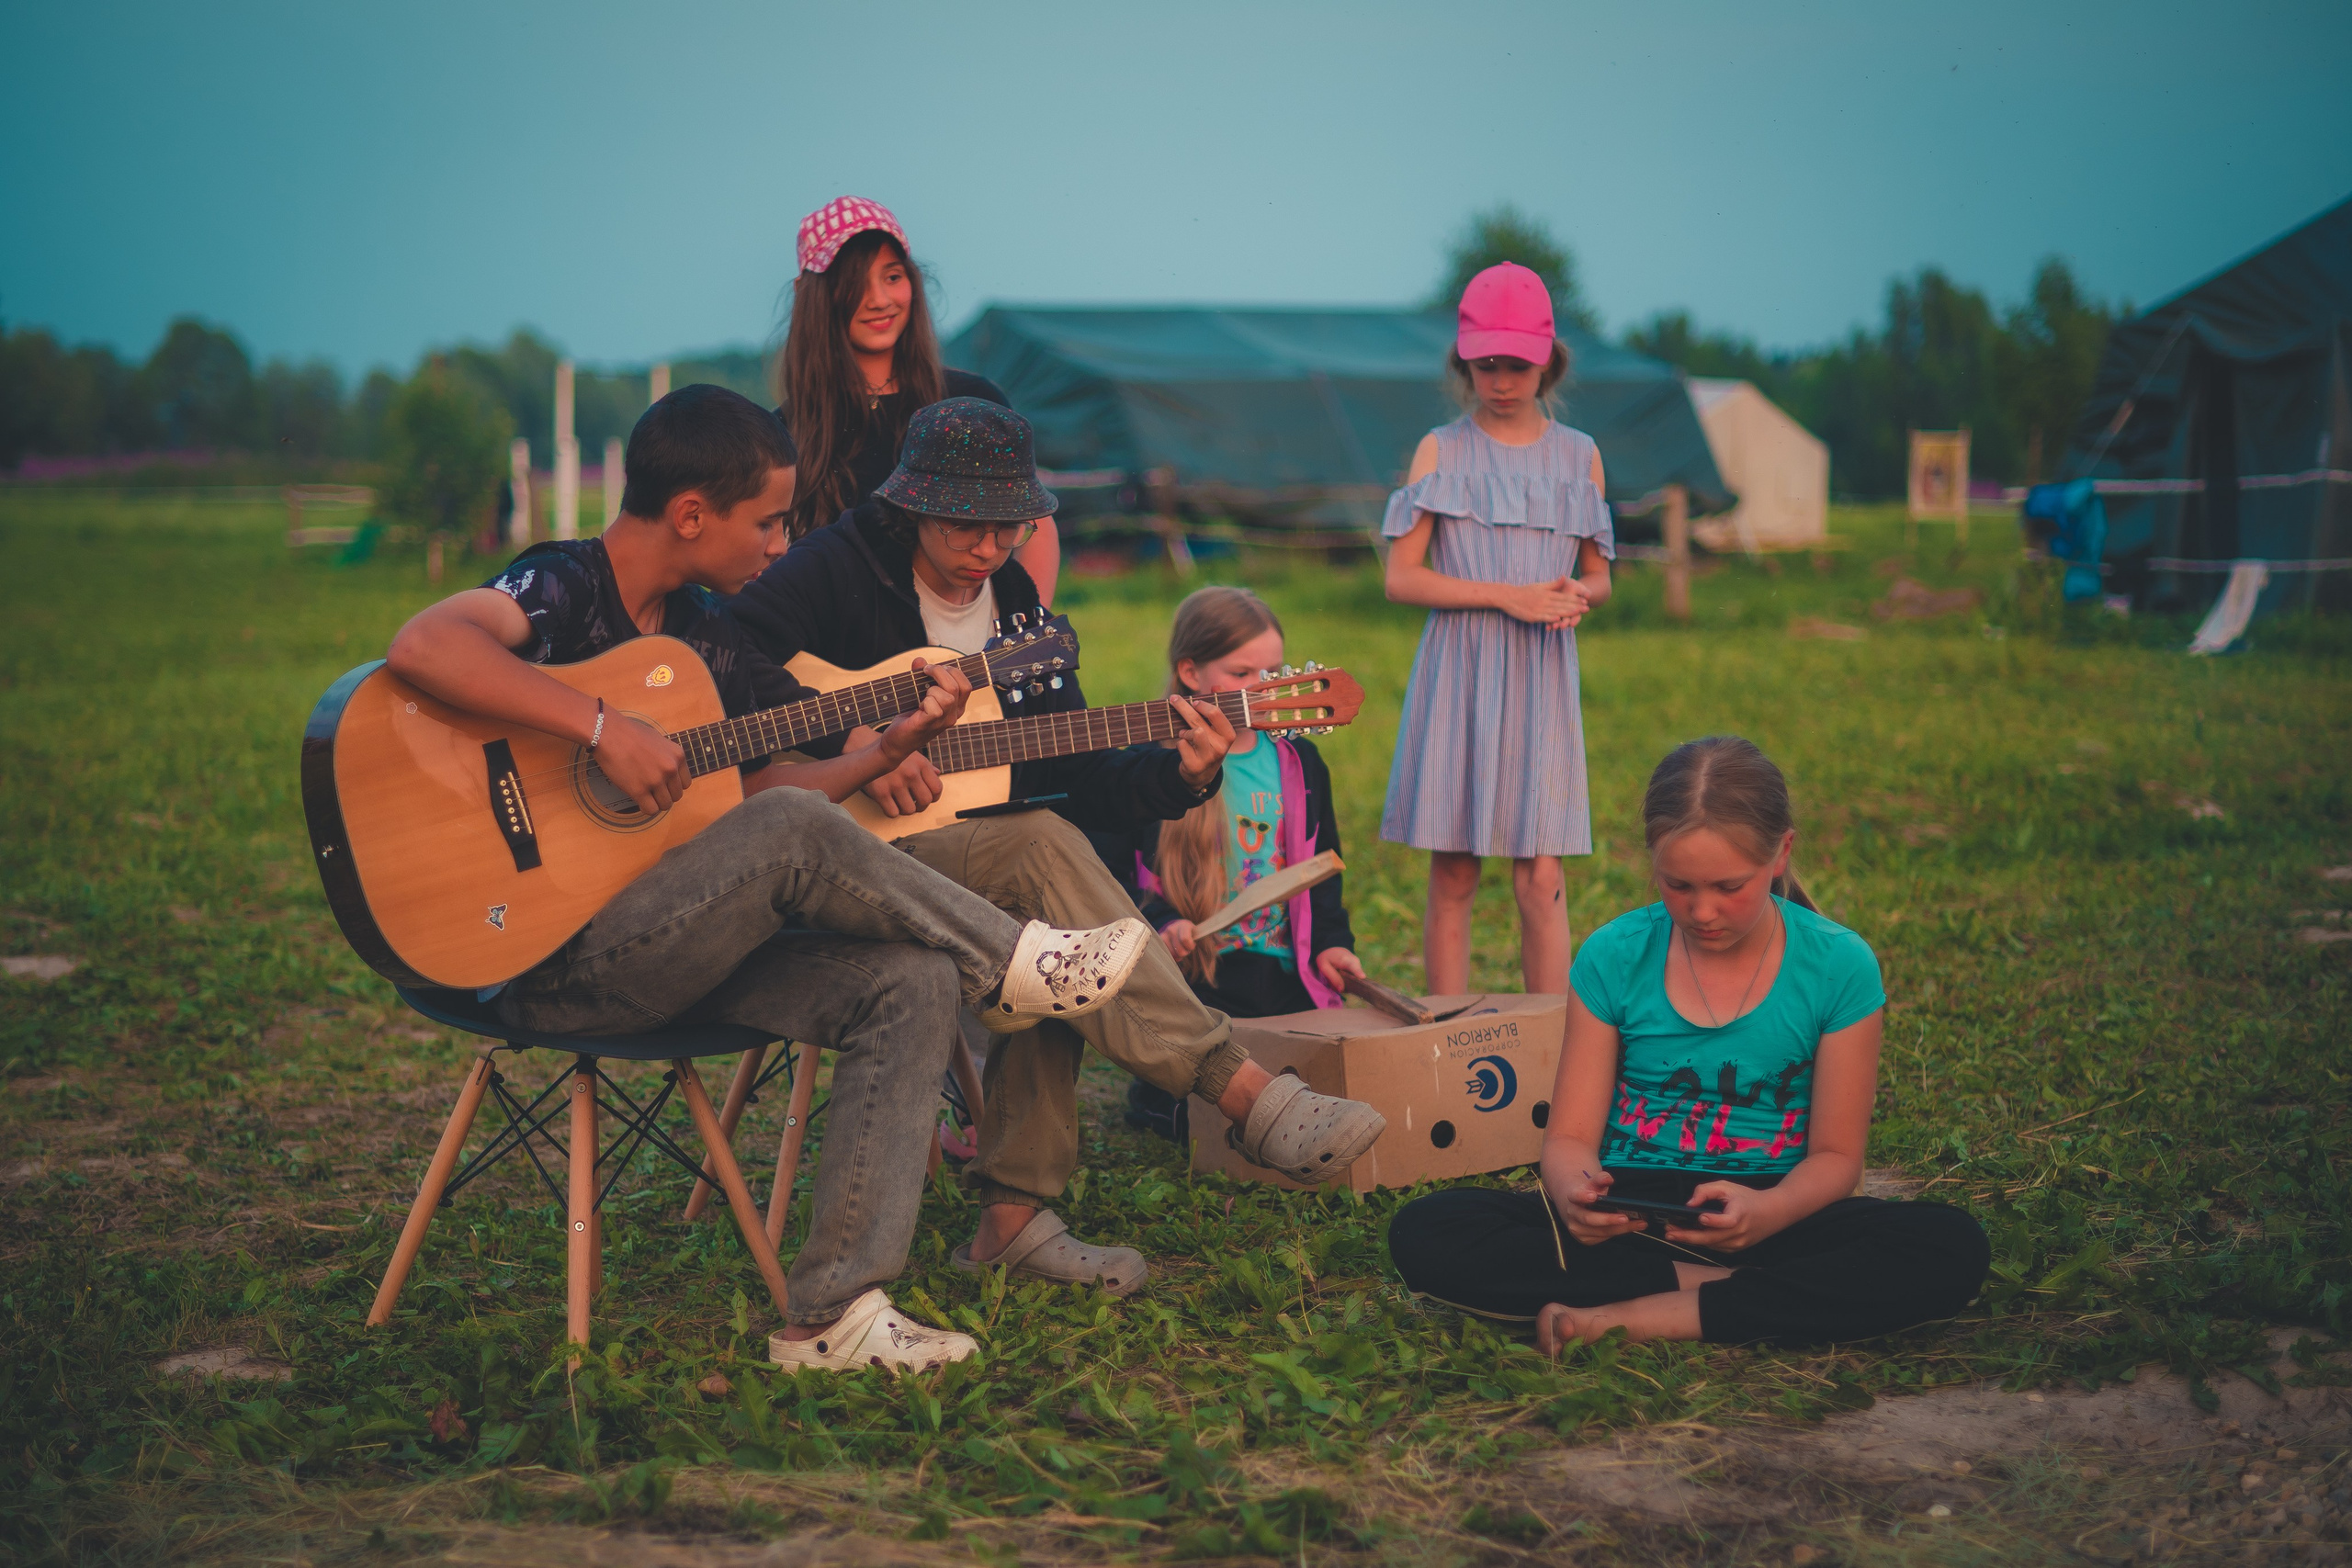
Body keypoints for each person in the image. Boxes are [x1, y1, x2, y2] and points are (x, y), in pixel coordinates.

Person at [382, 384, 1154, 1373]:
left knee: (908, 981)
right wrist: (600, 728)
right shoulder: (564, 586)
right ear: (694, 513)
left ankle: (833, 1313)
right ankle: (1011, 958)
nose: (785, 545)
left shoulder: (710, 635)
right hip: (546, 951)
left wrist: (889, 749)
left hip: (682, 943)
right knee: (788, 825)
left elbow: (788, 778)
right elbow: (424, 644)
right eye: (770, 522)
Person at [730, 397, 1389, 1294]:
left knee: (1056, 927)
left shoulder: (1013, 606)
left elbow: (1083, 769)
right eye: (968, 523)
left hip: (959, 860)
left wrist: (1184, 774)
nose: (989, 548)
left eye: (1006, 526)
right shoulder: (838, 566)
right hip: (824, 855)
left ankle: (1010, 1221)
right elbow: (721, 649)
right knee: (1039, 853)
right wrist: (850, 754)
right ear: (914, 503)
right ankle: (1243, 1094)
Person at [1387, 739, 1989, 1348]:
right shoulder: (1615, 954)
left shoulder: (1839, 965)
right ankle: (1742, 1290)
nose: (1703, 910)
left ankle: (1638, 1315)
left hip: (1776, 1208)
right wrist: (1576, 1194)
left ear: (1781, 852)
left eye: (1729, 886)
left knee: (1950, 1244)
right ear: (1653, 859)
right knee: (1428, 1228)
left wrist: (1769, 1213)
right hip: (1635, 1213)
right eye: (1678, 885)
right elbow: (1569, 1138)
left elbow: (1837, 1158)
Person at [1380, 262, 1614, 997]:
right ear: (1463, 361)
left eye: (1516, 364)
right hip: (1460, 671)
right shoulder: (1440, 450)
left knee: (1542, 875)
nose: (1502, 379)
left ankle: (1554, 1047)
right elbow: (1402, 576)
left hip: (1542, 677)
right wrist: (1506, 596)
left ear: (1547, 360)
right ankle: (1444, 1042)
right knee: (1453, 868)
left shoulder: (1580, 457)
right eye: (1486, 365)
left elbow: (1601, 575)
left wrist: (1581, 594)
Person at [1096, 587, 1364, 1143]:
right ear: (1190, 673)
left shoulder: (1299, 763)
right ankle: (1164, 1101)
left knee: (1324, 1076)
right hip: (1201, 975)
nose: (1262, 689)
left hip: (1283, 967)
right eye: (1241, 673)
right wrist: (1165, 923)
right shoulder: (1153, 768)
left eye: (1273, 672)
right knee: (1196, 1067)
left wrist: (1332, 943)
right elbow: (1123, 873)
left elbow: (1318, 872)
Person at [776, 196, 1058, 603]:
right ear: (811, 294)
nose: (879, 299)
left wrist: (1023, 638)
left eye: (892, 277)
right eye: (854, 283)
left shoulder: (973, 402)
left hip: (971, 648)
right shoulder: (784, 434)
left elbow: (1036, 527)